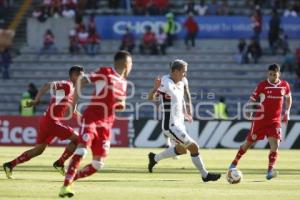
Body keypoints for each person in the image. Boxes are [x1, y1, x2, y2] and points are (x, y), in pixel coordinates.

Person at [59, 50, 133, 198]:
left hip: (107, 124)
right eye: (131, 63)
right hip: (91, 118)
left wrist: (119, 104)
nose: (132, 66)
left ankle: (72, 178)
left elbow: (121, 104)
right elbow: (82, 80)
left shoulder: (124, 83)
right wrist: (73, 105)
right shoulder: (106, 72)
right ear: (125, 63)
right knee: (82, 150)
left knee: (98, 164)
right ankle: (65, 186)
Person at [3, 66, 84, 179]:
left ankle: (10, 165)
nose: (82, 77)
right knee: (78, 139)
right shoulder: (66, 85)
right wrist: (36, 100)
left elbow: (72, 111)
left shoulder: (73, 91)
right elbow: (47, 85)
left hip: (47, 121)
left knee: (38, 150)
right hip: (51, 122)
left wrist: (84, 119)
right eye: (79, 75)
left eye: (82, 75)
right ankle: (60, 163)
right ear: (73, 76)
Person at [147, 59, 221, 182]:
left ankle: (154, 158)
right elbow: (151, 98)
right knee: (194, 147)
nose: (185, 74)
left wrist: (186, 112)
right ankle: (205, 175)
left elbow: (181, 98)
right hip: (170, 126)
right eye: (183, 72)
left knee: (182, 150)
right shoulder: (166, 83)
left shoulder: (181, 82)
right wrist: (155, 89)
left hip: (179, 123)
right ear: (175, 71)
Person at [229, 63, 292, 180]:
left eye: (274, 74)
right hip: (260, 120)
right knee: (248, 144)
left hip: (275, 121)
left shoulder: (284, 85)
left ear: (279, 74)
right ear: (267, 73)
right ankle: (234, 162)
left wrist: (287, 111)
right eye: (270, 74)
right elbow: (252, 99)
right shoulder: (262, 85)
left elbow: (288, 97)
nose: (272, 77)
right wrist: (248, 110)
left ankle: (270, 171)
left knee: (275, 144)